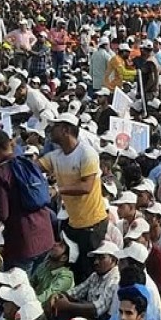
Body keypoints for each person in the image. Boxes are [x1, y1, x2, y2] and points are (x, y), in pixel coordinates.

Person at [38, 113, 108, 283]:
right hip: (74, 224)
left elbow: (86, 186)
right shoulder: (56, 156)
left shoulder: (87, 153)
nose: (50, 130)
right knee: (74, 269)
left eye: (55, 127)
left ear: (65, 130)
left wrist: (58, 190)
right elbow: (35, 166)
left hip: (92, 225)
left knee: (89, 271)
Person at [0, 130, 55, 275]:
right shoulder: (29, 163)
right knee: (31, 290)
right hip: (45, 237)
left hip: (23, 243)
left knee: (15, 292)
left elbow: (0, 213)